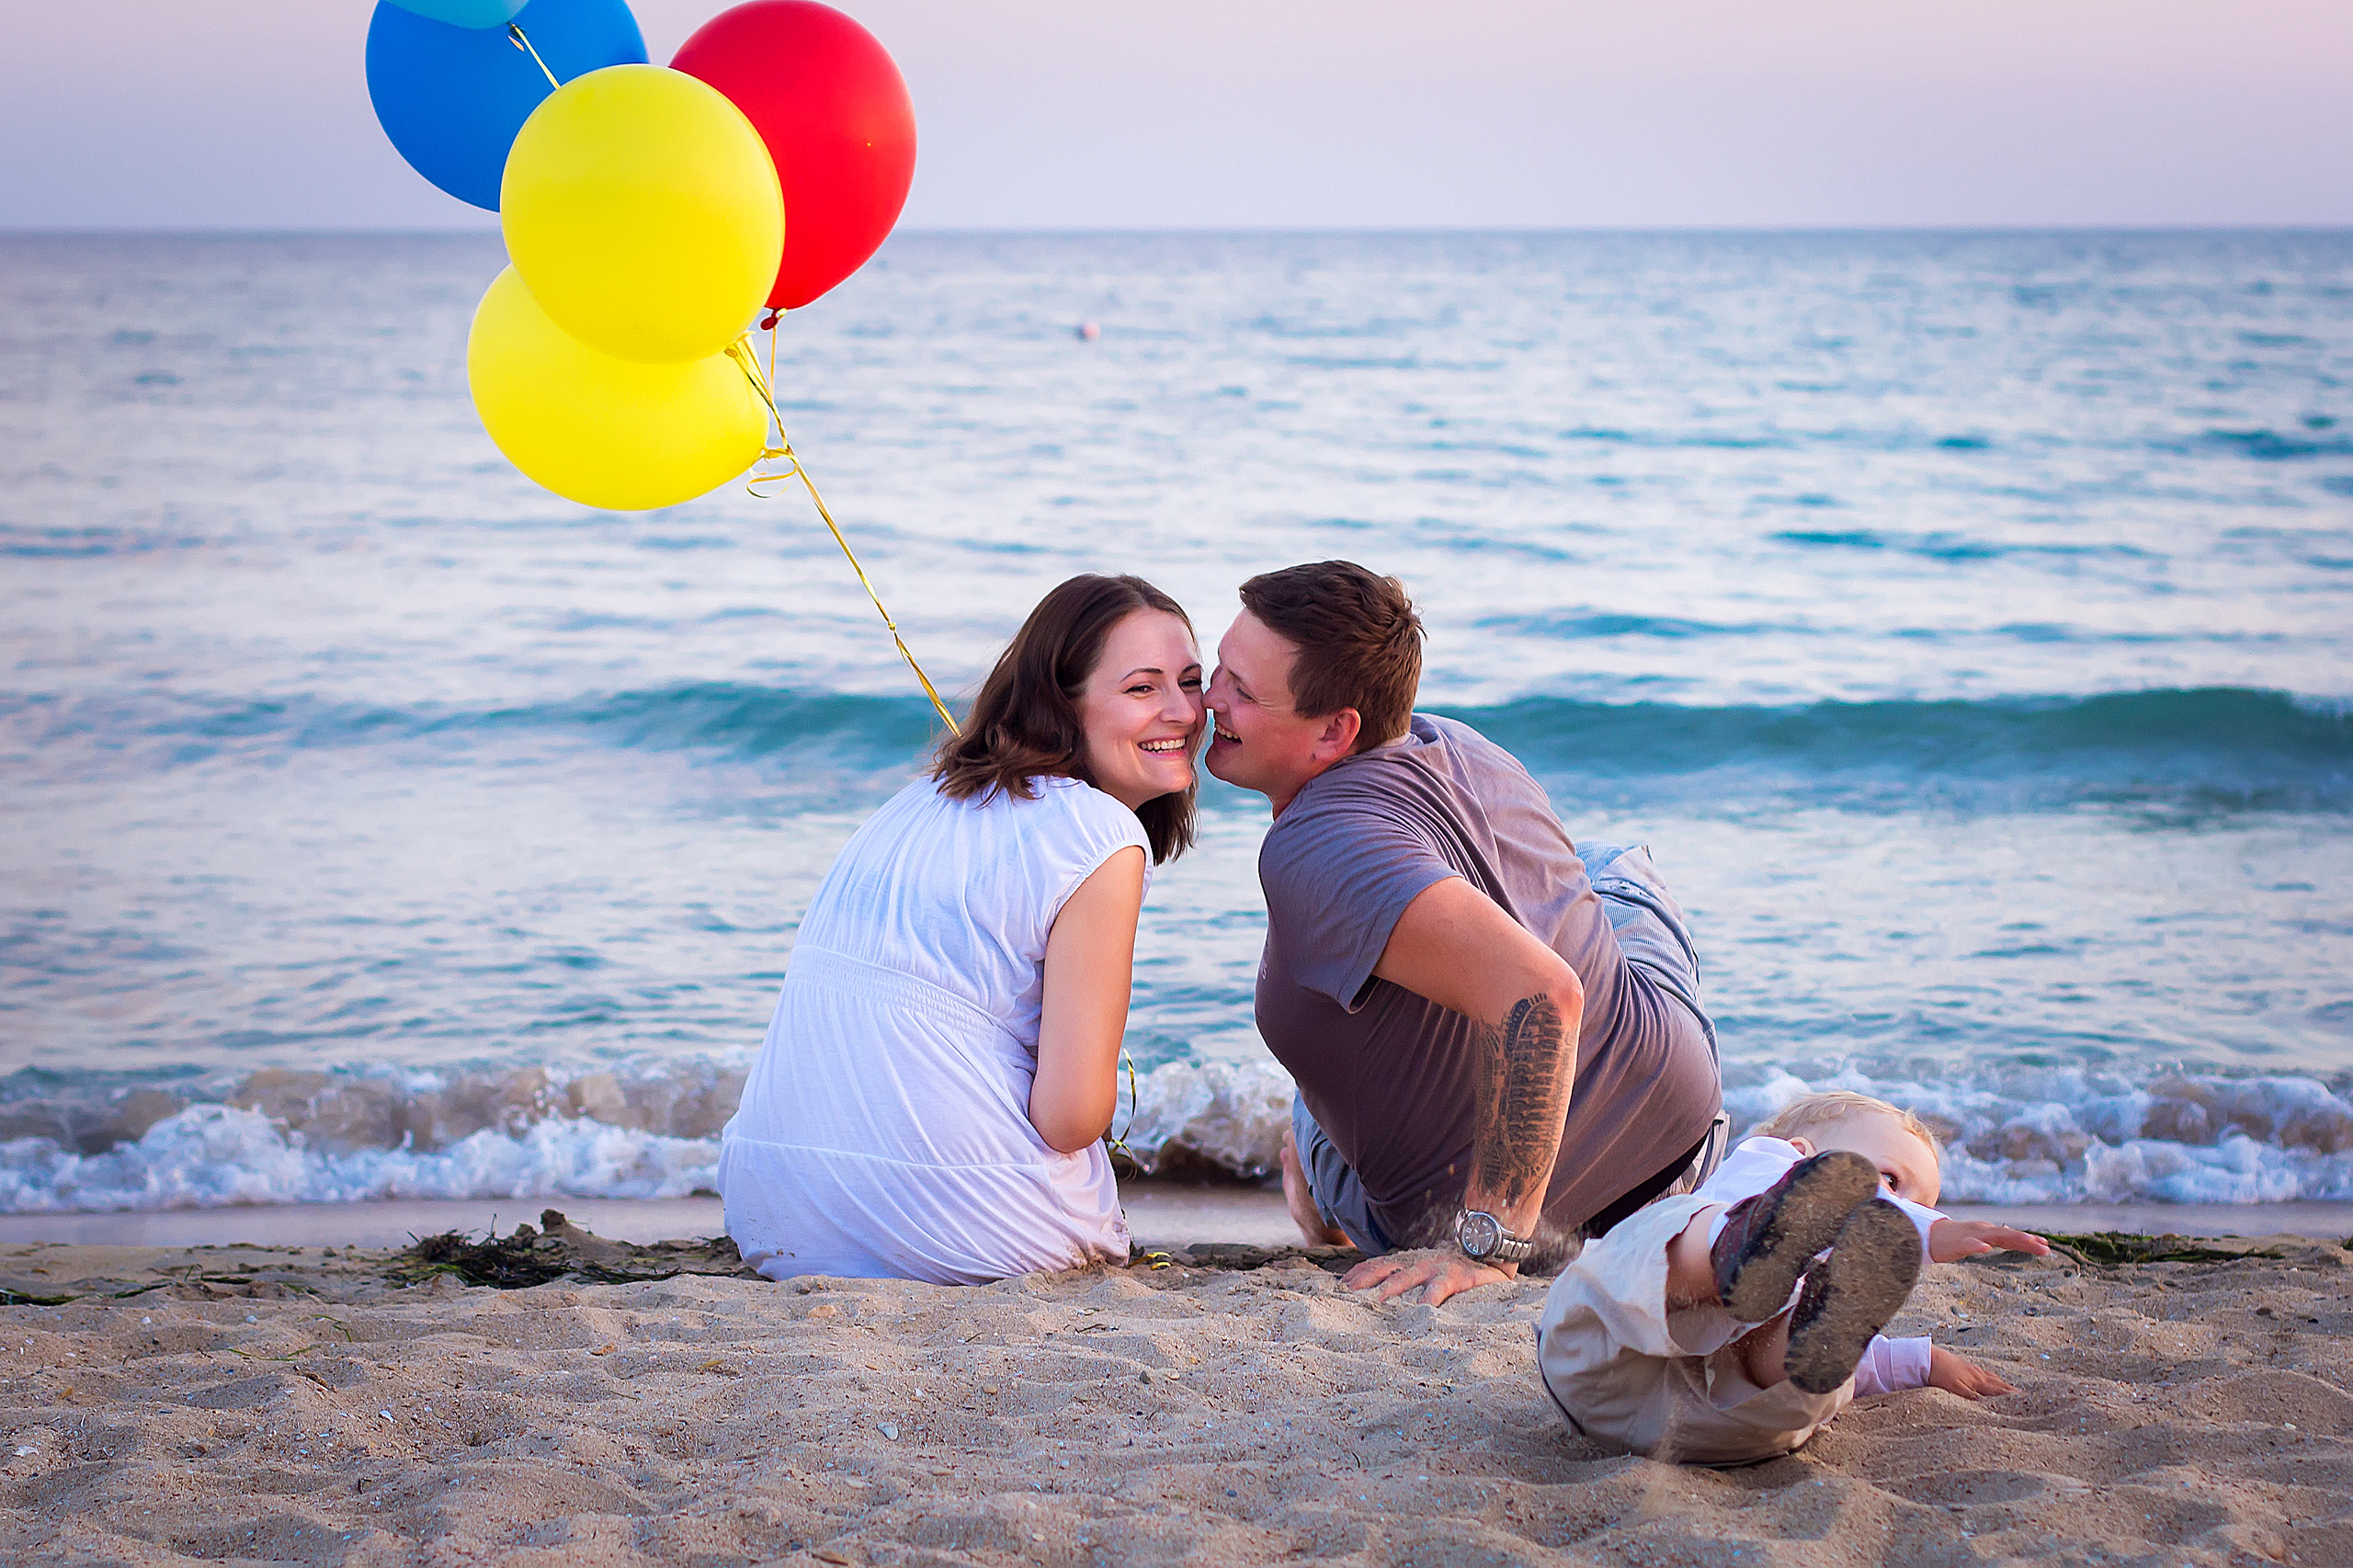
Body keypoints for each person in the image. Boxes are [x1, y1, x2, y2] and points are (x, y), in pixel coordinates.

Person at [1201, 560, 1725, 1306]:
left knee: (1310, 1108)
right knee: (1607, 868)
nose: (1208, 697)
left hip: (1535, 1234)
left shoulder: (1313, 848)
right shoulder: (1450, 740)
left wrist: (1489, 1247)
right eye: (1218, 668)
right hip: (1682, 1146)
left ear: (1335, 730)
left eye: (1241, 690)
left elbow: (1542, 996)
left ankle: (1316, 1188)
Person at [719, 574, 1204, 1284]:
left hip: (770, 1209)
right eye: (1142, 688)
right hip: (961, 1227)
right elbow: (1070, 1118)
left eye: (1191, 682)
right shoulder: (1100, 832)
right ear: (1060, 702)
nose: (1185, 712)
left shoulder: (914, 802)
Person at [1535, 1090, 2049, 1465]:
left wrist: (1923, 1362)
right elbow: (1842, 1201)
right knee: (1672, 1235)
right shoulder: (1764, 1163)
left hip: (1716, 1427)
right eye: (1891, 1181)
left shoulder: (1812, 1271)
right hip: (1598, 1349)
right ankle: (1726, 1251)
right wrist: (1932, 1231)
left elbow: (1859, 1358)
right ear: (1800, 1152)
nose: (1899, 1211)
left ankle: (1787, 1339)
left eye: (1920, 1207)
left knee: (1817, 1359)